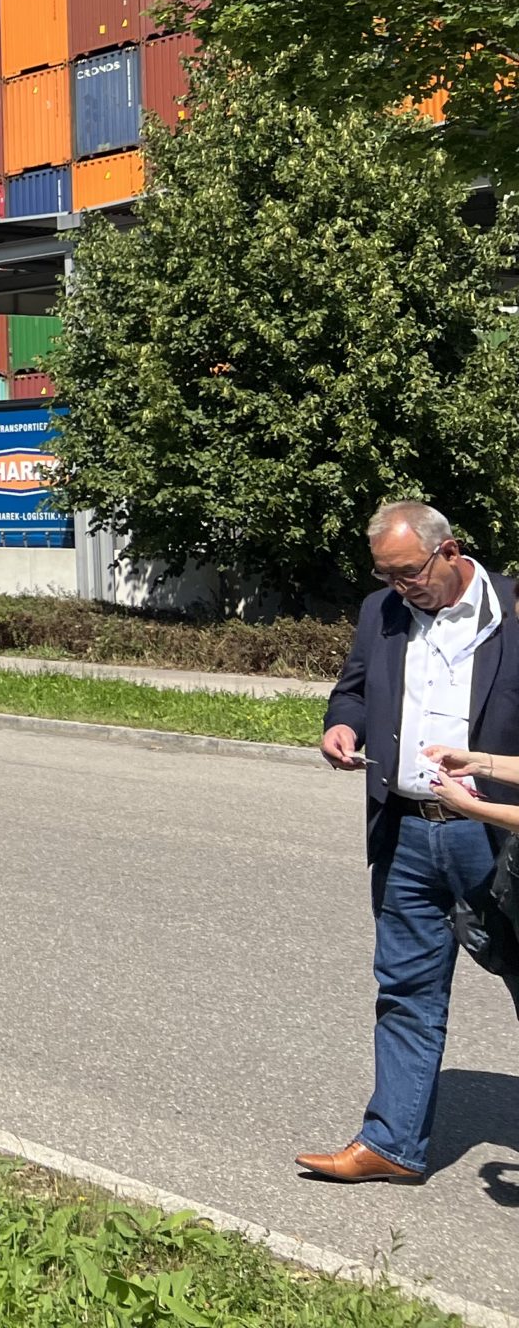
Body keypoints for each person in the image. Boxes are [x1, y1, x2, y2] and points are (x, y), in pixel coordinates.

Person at [299, 499, 519, 1184]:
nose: (401, 588)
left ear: (449, 552)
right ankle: (392, 1144)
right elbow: (355, 691)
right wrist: (344, 726)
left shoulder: (511, 611)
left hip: (495, 837)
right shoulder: (381, 612)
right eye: (386, 576)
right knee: (405, 989)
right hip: (405, 830)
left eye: (410, 574)